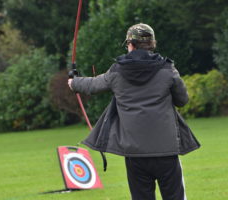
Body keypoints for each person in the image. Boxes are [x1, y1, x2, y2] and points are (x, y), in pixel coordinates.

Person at [68, 23, 200, 200]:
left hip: (135, 153)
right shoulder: (167, 69)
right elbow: (182, 100)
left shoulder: (117, 71)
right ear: (152, 44)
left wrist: (74, 83)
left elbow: (93, 85)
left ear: (130, 45)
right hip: (166, 150)